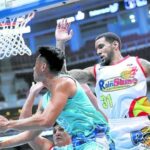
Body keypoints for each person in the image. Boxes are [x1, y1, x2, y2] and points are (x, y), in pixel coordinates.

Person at [55, 19, 150, 149]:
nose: (98, 52)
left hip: (141, 127)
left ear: (115, 45)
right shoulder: (95, 72)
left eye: (101, 46)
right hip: (113, 131)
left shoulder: (139, 64)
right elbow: (63, 77)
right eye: (96, 49)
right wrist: (60, 43)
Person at [0, 46, 111, 149]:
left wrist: (8, 124)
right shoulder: (46, 99)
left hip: (97, 139)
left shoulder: (64, 82)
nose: (33, 68)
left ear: (43, 67)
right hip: (79, 143)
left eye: (36, 65)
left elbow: (46, 121)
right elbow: (30, 133)